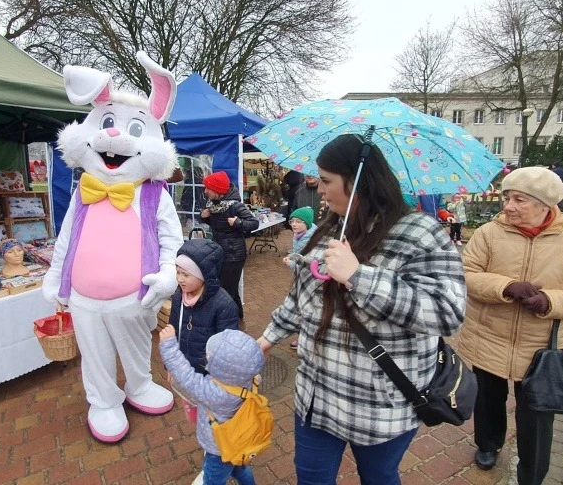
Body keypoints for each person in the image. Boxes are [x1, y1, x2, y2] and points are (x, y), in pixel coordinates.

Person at [257, 134, 466, 485]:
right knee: (311, 478)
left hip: (381, 401)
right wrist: (264, 341)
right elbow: (301, 298)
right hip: (317, 393)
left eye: (326, 181)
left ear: (355, 181)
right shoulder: (329, 229)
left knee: (379, 477)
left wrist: (359, 276)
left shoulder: (419, 232)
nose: (319, 190)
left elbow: (446, 312)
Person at [457, 166, 563, 485]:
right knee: (487, 400)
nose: (507, 206)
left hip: (542, 350)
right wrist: (506, 286)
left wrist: (551, 302)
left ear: (544, 204)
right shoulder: (488, 233)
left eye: (519, 200)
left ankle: (532, 471)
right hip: (487, 338)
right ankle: (487, 444)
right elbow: (465, 274)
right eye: (506, 197)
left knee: (537, 415)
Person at [159, 327, 263, 485]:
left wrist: (169, 345)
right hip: (238, 441)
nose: (207, 357)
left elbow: (185, 375)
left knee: (212, 480)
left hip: (219, 449)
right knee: (240, 468)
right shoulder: (251, 378)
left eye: (210, 357)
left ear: (224, 369)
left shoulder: (214, 393)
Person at [169, 239, 240, 423]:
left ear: (204, 275)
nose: (179, 278)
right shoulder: (179, 297)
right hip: (186, 372)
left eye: (186, 274)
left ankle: (212, 446)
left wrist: (219, 382)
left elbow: (226, 351)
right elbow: (173, 333)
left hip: (210, 379)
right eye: (177, 272)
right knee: (194, 413)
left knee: (212, 418)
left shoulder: (224, 306)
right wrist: (171, 365)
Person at [199, 171, 259, 331]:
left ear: (217, 190)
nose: (205, 191)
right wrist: (204, 217)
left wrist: (238, 222)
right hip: (220, 251)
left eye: (208, 188)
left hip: (234, 254)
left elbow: (254, 223)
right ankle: (238, 320)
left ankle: (227, 325)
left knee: (226, 291)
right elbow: (215, 225)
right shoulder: (214, 205)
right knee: (229, 288)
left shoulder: (235, 206)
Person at [281, 206, 317, 351]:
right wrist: (292, 257)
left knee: (307, 308)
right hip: (300, 279)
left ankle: (308, 338)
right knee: (300, 307)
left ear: (307, 224)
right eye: (292, 221)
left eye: (299, 221)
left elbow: (310, 262)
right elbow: (298, 254)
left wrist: (292, 264)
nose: (294, 224)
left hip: (310, 281)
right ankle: (302, 336)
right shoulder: (300, 235)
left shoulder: (311, 238)